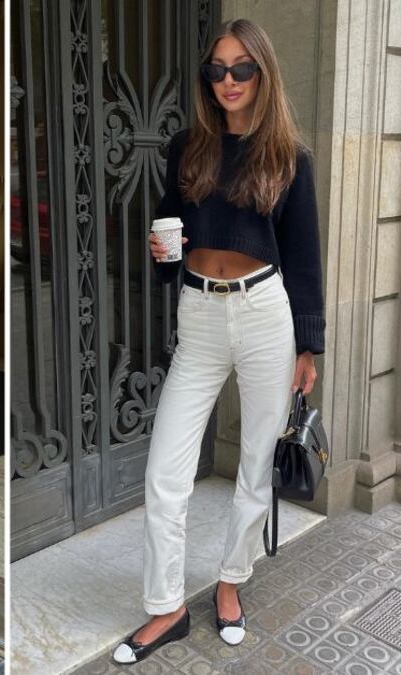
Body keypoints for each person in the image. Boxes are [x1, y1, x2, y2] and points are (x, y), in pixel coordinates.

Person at [112, 18, 324, 664]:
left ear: (262, 73)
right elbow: (169, 226)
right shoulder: (188, 147)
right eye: (216, 70)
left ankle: (232, 581)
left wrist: (308, 346)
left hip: (265, 314)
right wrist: (162, 253)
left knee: (254, 464)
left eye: (241, 69)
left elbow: (303, 257)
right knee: (165, 473)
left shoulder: (289, 157)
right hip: (200, 313)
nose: (227, 81)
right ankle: (166, 607)